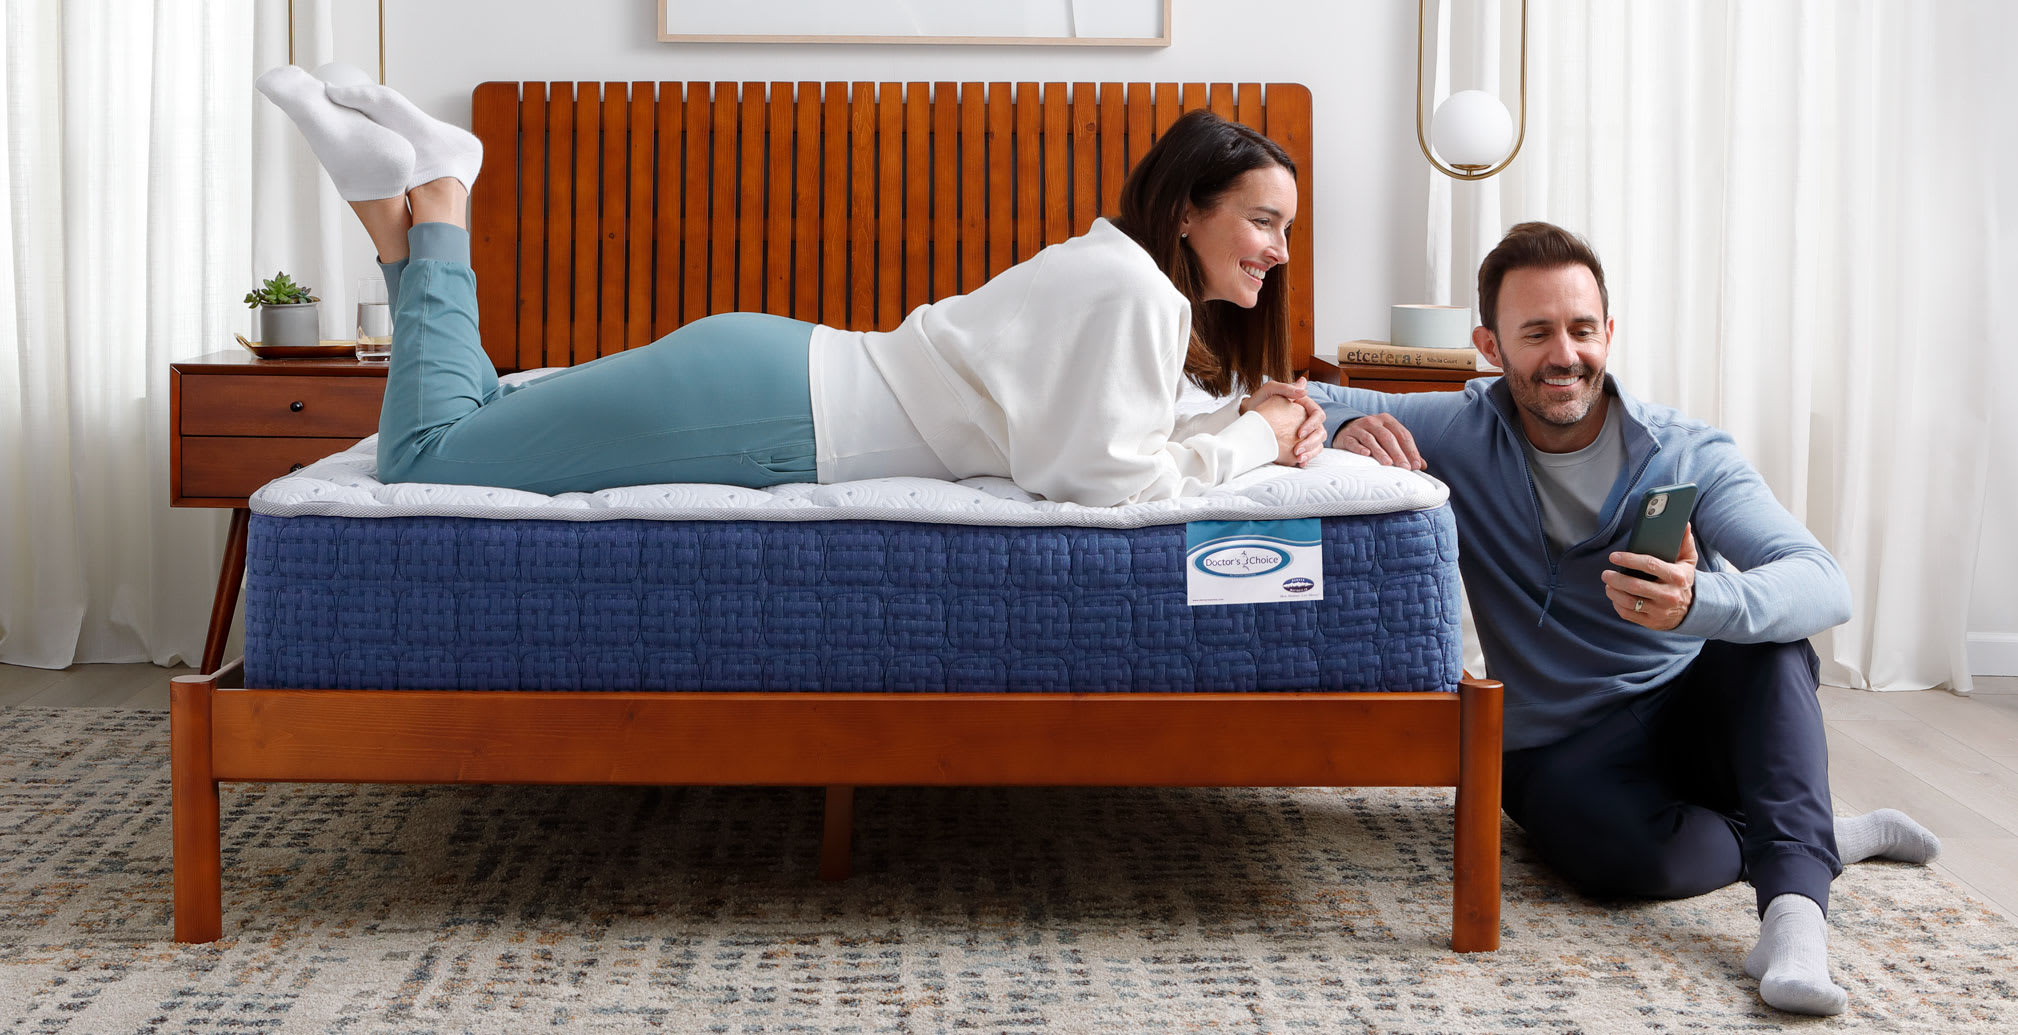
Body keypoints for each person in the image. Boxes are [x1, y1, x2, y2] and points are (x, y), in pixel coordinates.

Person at [1308, 222, 1940, 1016]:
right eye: (1535, 333)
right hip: (1563, 747)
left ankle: (1794, 919)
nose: (1563, 355)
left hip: (1689, 711)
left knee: (1770, 647)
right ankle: (1813, 833)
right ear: (1491, 345)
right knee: (1610, 865)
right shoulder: (1458, 430)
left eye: (1581, 329)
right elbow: (1297, 396)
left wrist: (1698, 601)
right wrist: (1341, 425)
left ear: (1608, 332)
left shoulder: (1683, 451)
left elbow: (1823, 581)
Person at [255, 65, 1326, 507]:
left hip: (771, 372)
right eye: (1261, 220)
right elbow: (1109, 483)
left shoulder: (1108, 269)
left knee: (481, 418)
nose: (1276, 248)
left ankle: (389, 215)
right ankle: (441, 197)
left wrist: (1242, 413)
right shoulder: (1132, 291)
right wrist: (1254, 443)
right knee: (424, 462)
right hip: (774, 415)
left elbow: (1126, 428)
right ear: (1188, 207)